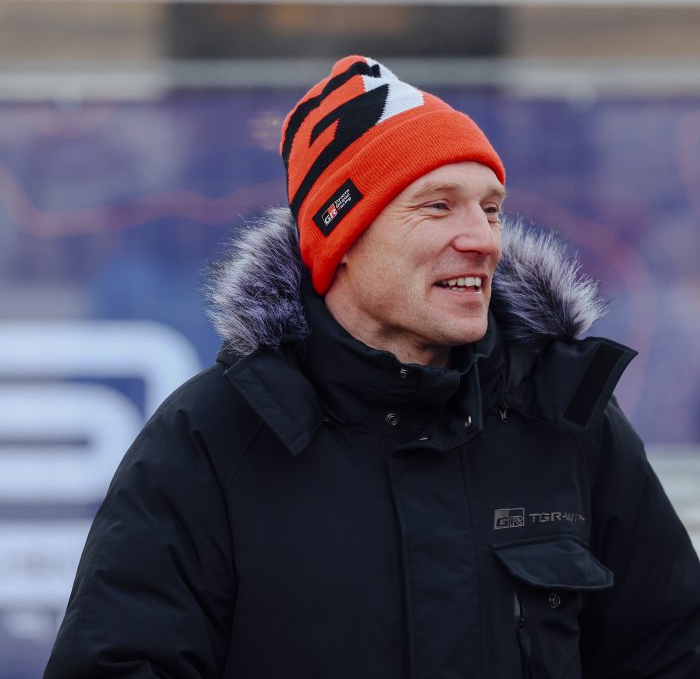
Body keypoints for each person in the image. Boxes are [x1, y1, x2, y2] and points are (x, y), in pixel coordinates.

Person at [44, 55, 700, 678]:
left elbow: (671, 652)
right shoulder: (211, 438)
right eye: (438, 205)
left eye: (490, 208)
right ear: (343, 236)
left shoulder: (567, 419)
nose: (482, 239)